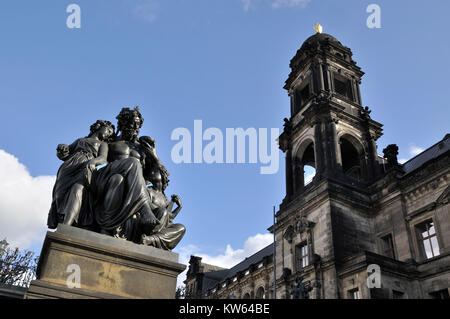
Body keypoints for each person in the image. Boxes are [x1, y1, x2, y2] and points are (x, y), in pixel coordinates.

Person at [92, 107, 163, 238]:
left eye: (137, 124)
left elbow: (156, 177)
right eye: (132, 123)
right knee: (133, 163)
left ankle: (106, 227)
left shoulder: (142, 148)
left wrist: (154, 156)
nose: (135, 127)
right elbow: (94, 155)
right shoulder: (110, 141)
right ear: (122, 123)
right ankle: (145, 208)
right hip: (107, 176)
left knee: (118, 180)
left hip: (126, 184)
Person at [47, 120, 115, 229]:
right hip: (68, 167)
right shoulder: (80, 140)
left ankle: (66, 225)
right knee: (60, 196)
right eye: (108, 130)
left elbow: (103, 158)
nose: (108, 134)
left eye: (110, 134)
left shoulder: (103, 144)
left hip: (85, 168)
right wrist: (61, 149)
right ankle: (61, 220)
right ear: (99, 127)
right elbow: (65, 154)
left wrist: (93, 162)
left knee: (78, 190)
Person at [141, 166, 186, 250]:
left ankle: (151, 240)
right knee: (163, 211)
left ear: (162, 176)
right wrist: (164, 212)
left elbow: (169, 217)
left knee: (181, 227)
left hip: (160, 228)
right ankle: (151, 238)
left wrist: (179, 207)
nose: (151, 173)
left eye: (155, 172)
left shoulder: (165, 198)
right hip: (149, 224)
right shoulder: (148, 191)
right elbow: (146, 205)